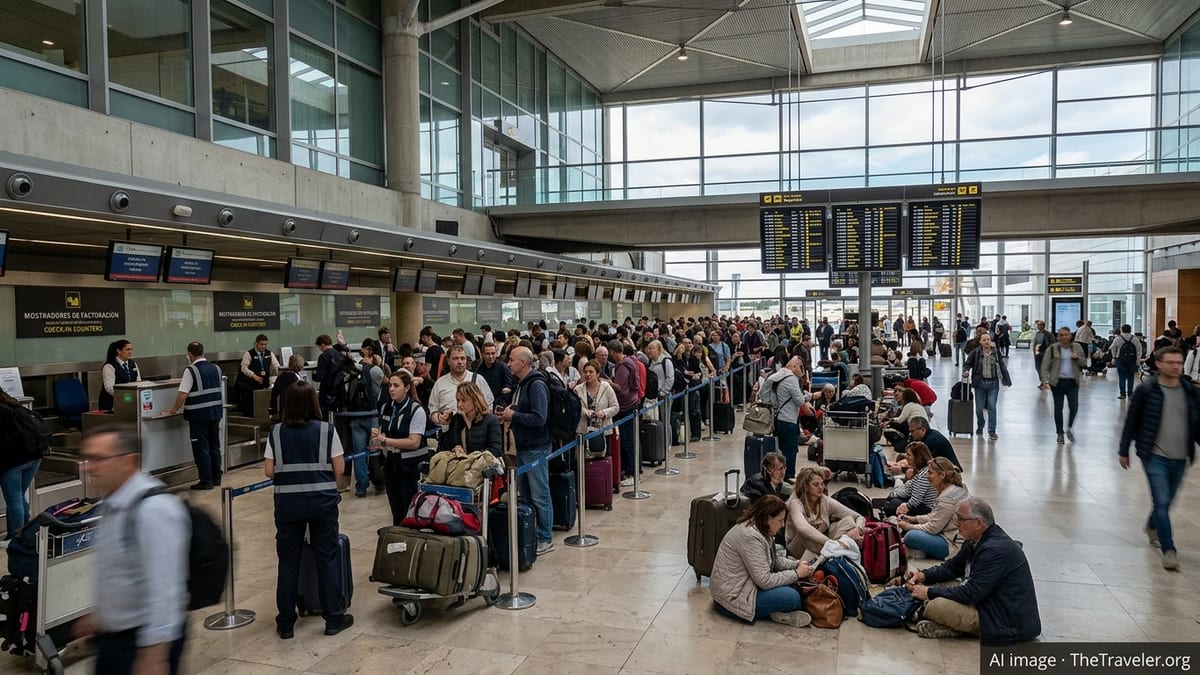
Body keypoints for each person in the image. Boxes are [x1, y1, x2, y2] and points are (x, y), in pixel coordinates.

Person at [74, 426, 189, 674]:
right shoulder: (112, 504)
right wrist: (102, 615)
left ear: (129, 461)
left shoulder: (153, 510)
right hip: (114, 636)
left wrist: (154, 657)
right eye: (86, 458)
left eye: (98, 459)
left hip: (141, 643)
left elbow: (166, 590)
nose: (88, 467)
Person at [263, 382, 353, 640]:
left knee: (288, 563)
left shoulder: (276, 432)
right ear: (314, 402)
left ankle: (286, 623)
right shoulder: (326, 431)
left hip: (288, 506)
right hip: (322, 504)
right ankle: (334, 618)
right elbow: (339, 468)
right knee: (326, 559)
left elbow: (269, 471)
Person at [905, 497, 1041, 644]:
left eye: (961, 519)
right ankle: (950, 624)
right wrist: (923, 576)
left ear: (978, 524)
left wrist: (928, 593)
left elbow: (972, 593)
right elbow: (953, 567)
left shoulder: (995, 551)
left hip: (1004, 621)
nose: (956, 523)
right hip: (988, 601)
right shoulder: (976, 539)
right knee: (940, 584)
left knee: (936, 606)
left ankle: (956, 628)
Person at [1119, 346, 1200, 571]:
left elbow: (1197, 423)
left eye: (1179, 362)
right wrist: (1124, 450)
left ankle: (1152, 525)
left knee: (1167, 502)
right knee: (1162, 501)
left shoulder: (1190, 391)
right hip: (1154, 455)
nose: (1176, 367)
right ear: (1158, 364)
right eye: (1171, 362)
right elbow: (1131, 421)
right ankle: (1169, 550)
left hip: (1181, 456)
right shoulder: (1147, 390)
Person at [710, 495, 815, 627]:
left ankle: (775, 612)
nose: (782, 525)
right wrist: (797, 573)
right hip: (731, 598)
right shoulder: (750, 536)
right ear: (767, 518)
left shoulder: (762, 528)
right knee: (792, 597)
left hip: (746, 585)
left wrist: (796, 565)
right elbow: (764, 580)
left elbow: (773, 560)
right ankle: (775, 613)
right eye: (780, 520)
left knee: (794, 585)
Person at [500, 346, 555, 556]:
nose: (509, 363)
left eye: (512, 360)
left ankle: (545, 536)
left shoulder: (536, 384)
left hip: (536, 447)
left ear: (523, 362)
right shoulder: (520, 384)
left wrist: (513, 416)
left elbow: (539, 418)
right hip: (523, 446)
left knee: (540, 494)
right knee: (527, 495)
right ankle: (533, 531)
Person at [163, 342, 224, 490]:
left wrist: (173, 410)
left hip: (198, 417)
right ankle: (216, 478)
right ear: (203, 352)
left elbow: (182, 394)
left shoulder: (191, 370)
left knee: (201, 448)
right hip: (215, 413)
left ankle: (206, 481)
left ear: (190, 354)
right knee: (214, 446)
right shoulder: (216, 368)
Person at [371, 370, 429, 526]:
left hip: (411, 465)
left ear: (407, 388)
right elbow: (383, 434)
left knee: (410, 507)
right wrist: (377, 440)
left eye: (396, 385)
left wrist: (386, 440)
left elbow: (414, 442)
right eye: (390, 385)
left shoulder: (416, 410)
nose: (391, 389)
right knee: (396, 509)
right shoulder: (386, 407)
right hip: (391, 463)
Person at [784, 466, 866, 560]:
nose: (820, 487)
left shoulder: (824, 501)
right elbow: (803, 528)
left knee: (848, 521)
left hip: (823, 545)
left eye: (822, 484)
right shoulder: (795, 502)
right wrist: (830, 543)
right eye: (816, 484)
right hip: (799, 546)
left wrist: (857, 529)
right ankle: (837, 553)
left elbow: (859, 517)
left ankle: (833, 554)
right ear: (806, 487)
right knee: (807, 535)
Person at [896, 458, 969, 560]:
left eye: (930, 473)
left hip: (953, 544)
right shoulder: (957, 488)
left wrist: (908, 526)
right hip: (955, 537)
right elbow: (935, 516)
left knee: (911, 536)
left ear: (942, 475)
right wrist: (914, 519)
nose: (927, 476)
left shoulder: (947, 498)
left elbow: (933, 528)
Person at [340, 340, 385, 498]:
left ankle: (361, 487)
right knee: (374, 452)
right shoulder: (376, 371)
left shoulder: (351, 373)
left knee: (359, 454)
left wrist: (344, 344)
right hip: (372, 416)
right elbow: (384, 386)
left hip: (354, 417)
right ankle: (378, 482)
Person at [0, 389, 43, 537]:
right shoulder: (13, 403)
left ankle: (17, 537)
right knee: (19, 495)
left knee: (14, 499)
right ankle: (25, 533)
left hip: (14, 460)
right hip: (34, 455)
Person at [427, 345, 494, 431]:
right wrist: (439, 418)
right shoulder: (440, 383)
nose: (459, 362)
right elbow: (432, 409)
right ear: (448, 361)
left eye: (462, 358)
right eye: (455, 359)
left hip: (476, 432)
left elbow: (489, 405)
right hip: (449, 432)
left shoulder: (478, 379)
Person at [1039, 327, 1085, 444]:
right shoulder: (1053, 349)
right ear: (1058, 337)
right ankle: (1060, 433)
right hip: (1057, 382)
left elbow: (1084, 362)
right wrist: (1044, 381)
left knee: (1074, 406)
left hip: (1072, 382)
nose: (1064, 337)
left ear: (1070, 336)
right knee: (1058, 408)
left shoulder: (1077, 347)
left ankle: (1069, 428)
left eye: (1066, 334)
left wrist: (1077, 358)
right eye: (1062, 335)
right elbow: (1044, 365)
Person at [765, 356, 807, 480]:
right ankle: (788, 477)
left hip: (780, 419)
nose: (802, 370)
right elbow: (799, 400)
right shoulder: (791, 379)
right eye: (801, 367)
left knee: (782, 450)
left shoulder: (780, 376)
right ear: (794, 366)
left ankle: (780, 476)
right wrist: (809, 398)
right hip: (788, 420)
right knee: (790, 451)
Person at [962, 334, 1011, 440]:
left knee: (992, 407)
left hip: (993, 384)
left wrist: (1006, 379)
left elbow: (1002, 365)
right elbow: (967, 364)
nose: (986, 342)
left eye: (988, 340)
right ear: (980, 342)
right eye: (984, 340)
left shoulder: (996, 353)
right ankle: (981, 424)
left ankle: (992, 431)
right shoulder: (975, 352)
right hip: (980, 384)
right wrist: (966, 371)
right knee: (979, 409)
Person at [437, 381, 503, 457]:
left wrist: (475, 456)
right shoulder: (457, 419)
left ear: (475, 400)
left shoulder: (491, 420)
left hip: (483, 465)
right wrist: (456, 448)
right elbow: (446, 446)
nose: (459, 404)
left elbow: (495, 450)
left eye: (464, 400)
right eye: (458, 400)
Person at [610, 339, 641, 486]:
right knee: (632, 439)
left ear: (613, 352)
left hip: (626, 406)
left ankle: (631, 472)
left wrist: (608, 382)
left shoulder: (622, 366)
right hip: (633, 402)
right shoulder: (631, 361)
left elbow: (619, 387)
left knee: (628, 441)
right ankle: (634, 469)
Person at [574, 360, 618, 457]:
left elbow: (615, 407)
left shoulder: (606, 387)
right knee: (583, 460)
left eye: (591, 372)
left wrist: (604, 412)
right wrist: (585, 411)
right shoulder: (578, 389)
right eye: (585, 372)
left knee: (603, 461)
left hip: (603, 431)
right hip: (583, 431)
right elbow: (574, 408)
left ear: (598, 373)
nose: (587, 374)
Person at [880, 442, 936, 517]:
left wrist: (903, 505)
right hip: (921, 504)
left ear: (917, 457)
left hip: (924, 508)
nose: (906, 457)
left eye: (909, 455)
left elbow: (915, 501)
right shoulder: (923, 471)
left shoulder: (924, 476)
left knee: (892, 503)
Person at [234, 334, 280, 418]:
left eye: (265, 344)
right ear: (256, 344)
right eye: (261, 344)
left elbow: (276, 366)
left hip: (264, 383)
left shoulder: (269, 353)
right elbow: (244, 368)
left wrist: (279, 374)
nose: (263, 346)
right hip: (251, 386)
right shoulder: (248, 354)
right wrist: (254, 376)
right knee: (251, 409)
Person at [99, 339, 141, 413]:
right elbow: (109, 388)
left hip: (130, 402)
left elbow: (138, 381)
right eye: (127, 349)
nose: (130, 352)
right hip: (111, 404)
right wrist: (126, 395)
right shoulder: (109, 366)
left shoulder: (133, 363)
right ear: (119, 351)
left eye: (131, 349)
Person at [313, 334, 346, 420]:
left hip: (327, 391)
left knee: (325, 416)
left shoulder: (323, 356)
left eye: (320, 347)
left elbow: (319, 377)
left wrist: (313, 375)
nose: (320, 349)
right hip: (340, 390)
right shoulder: (340, 354)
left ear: (323, 345)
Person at [475, 341, 516, 407]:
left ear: (496, 353)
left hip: (499, 404)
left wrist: (500, 405)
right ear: (482, 354)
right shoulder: (479, 368)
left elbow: (508, 388)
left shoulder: (503, 367)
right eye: (487, 354)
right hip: (483, 404)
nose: (491, 356)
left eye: (493, 353)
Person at [1110, 324, 1145, 399]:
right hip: (1132, 360)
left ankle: (1122, 394)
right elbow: (1139, 349)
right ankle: (1130, 394)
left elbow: (1113, 348)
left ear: (1121, 330)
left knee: (1122, 377)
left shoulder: (1118, 339)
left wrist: (1113, 357)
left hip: (1120, 359)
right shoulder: (1135, 338)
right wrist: (1138, 359)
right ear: (1130, 330)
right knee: (1130, 377)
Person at [269, 354, 306, 419]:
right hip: (296, 409)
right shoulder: (297, 378)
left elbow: (274, 393)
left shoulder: (281, 376)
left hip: (283, 408)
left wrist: (273, 409)